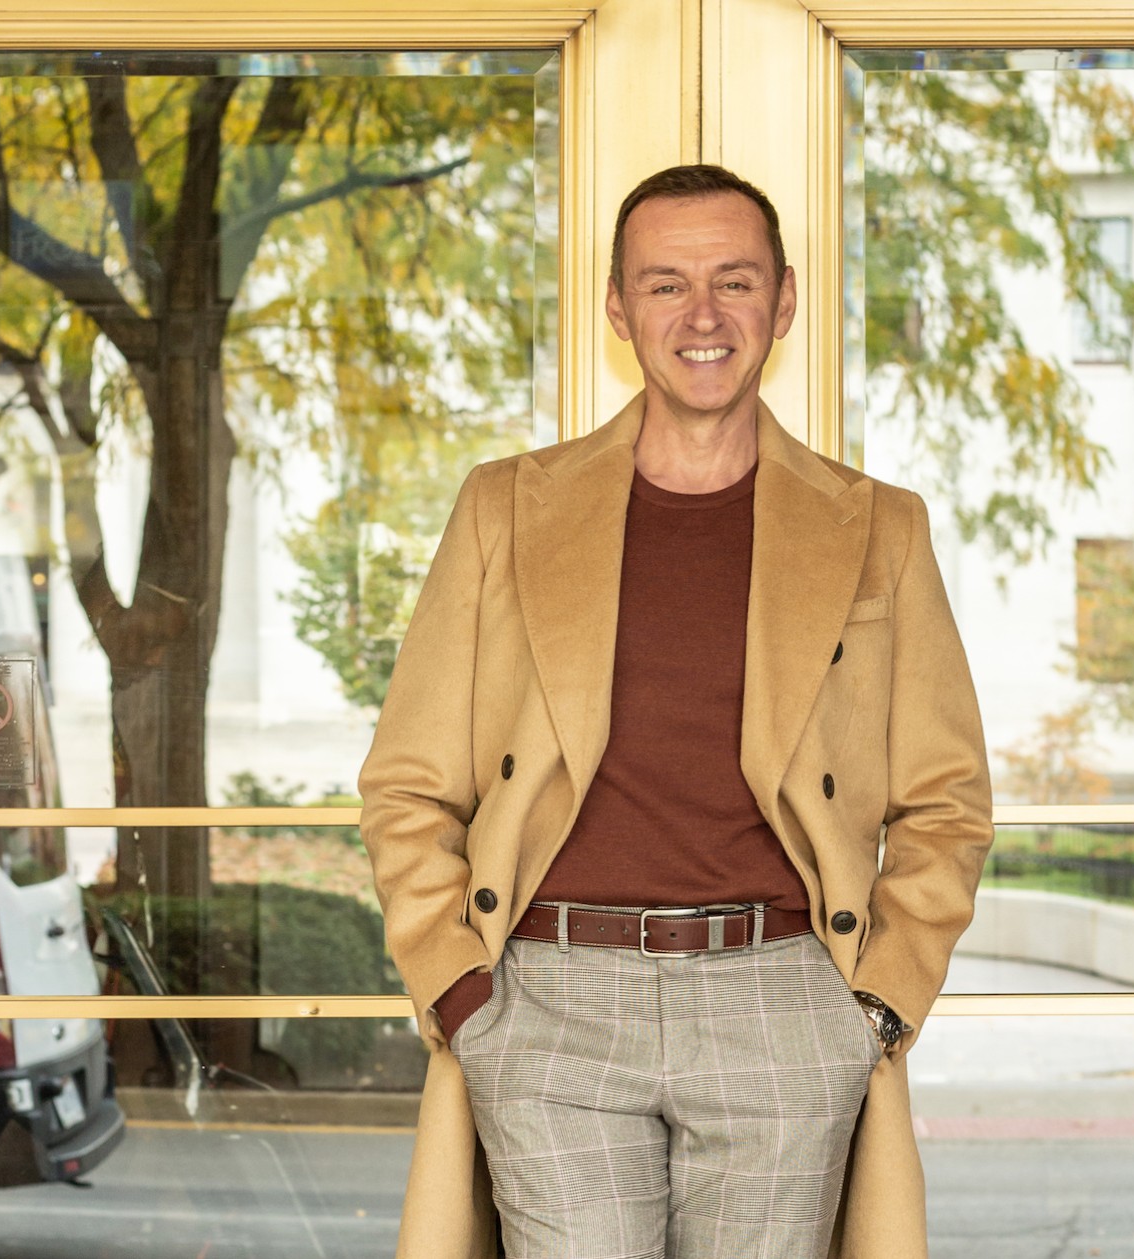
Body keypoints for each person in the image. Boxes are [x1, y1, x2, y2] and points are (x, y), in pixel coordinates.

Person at [359, 163, 994, 1259]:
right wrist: (462, 988)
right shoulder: (504, 507)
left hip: (785, 1001)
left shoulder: (879, 527)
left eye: (732, 282)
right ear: (618, 307)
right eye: (664, 285)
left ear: (783, 301)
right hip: (548, 999)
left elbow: (947, 799)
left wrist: (876, 1003)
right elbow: (406, 782)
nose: (701, 316)